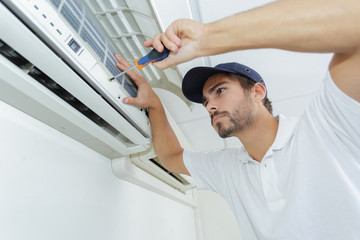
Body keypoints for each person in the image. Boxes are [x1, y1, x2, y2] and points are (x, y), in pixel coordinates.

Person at [114, 0, 360, 239]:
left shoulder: (325, 127)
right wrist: (155, 104)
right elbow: (170, 157)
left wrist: (205, 38)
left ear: (257, 92)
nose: (209, 105)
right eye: (205, 101)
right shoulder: (229, 167)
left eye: (220, 90)